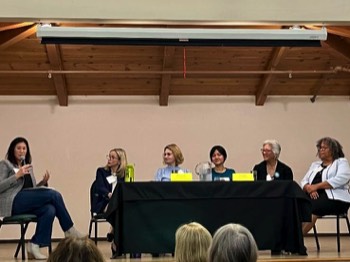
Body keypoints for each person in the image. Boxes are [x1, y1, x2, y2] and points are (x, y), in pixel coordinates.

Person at [0, 137, 85, 260]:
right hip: (13, 203)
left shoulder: (28, 167)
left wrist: (43, 183)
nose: (21, 151)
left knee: (49, 209)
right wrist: (16, 176)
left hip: (25, 201)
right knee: (54, 194)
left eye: (24, 148)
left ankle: (34, 245)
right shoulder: (5, 164)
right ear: (12, 150)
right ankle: (68, 229)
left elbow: (32, 190)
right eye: (18, 148)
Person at [301, 137, 350, 235]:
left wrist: (317, 186)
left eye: (324, 148)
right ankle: (289, 240)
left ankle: (296, 241)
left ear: (333, 150)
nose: (321, 150)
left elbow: (342, 178)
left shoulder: (341, 162)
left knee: (311, 208)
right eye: (320, 148)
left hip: (335, 199)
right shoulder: (315, 165)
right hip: (313, 196)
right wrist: (309, 188)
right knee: (296, 206)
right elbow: (304, 180)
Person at [92, 148, 128, 258]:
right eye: (109, 156)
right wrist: (109, 194)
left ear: (119, 161)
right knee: (117, 206)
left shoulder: (123, 174)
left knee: (120, 208)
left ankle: (113, 234)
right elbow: (99, 187)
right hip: (103, 203)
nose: (109, 159)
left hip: (117, 205)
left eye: (113, 157)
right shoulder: (101, 172)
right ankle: (115, 242)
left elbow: (125, 189)